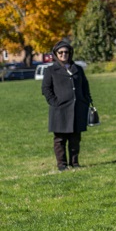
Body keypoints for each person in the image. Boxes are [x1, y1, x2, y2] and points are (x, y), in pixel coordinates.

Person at [41, 39, 93, 171]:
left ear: (70, 53)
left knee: (75, 138)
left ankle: (74, 163)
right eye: (61, 52)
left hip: (77, 108)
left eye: (66, 52)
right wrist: (55, 102)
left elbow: (85, 86)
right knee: (60, 139)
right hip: (60, 109)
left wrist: (86, 101)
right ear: (56, 54)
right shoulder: (51, 70)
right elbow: (46, 89)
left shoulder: (78, 69)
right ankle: (62, 165)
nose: (64, 54)